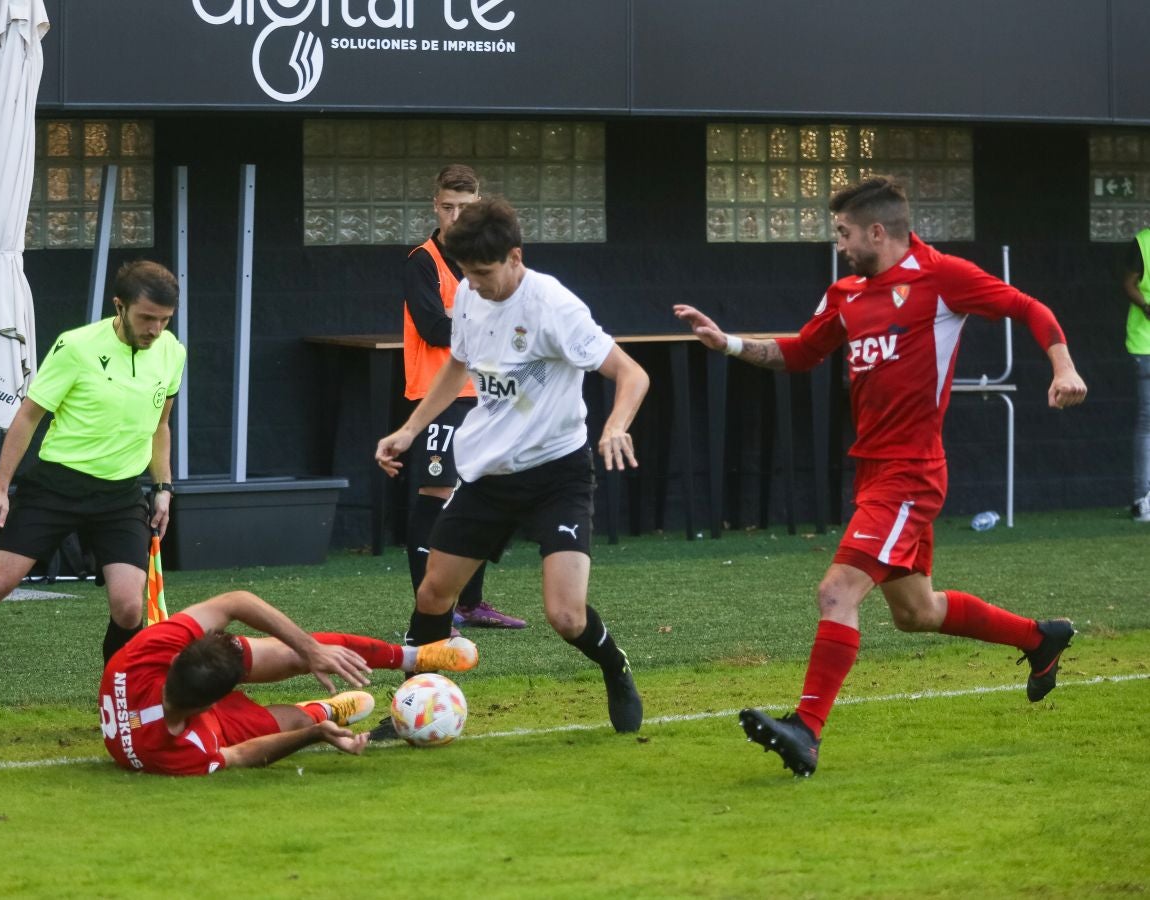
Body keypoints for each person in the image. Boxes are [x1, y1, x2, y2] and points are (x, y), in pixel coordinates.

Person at [674, 176, 1087, 777]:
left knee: (836, 592)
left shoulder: (941, 276)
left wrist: (1065, 368)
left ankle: (806, 730)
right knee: (915, 612)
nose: (838, 243)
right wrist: (729, 343)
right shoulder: (844, 293)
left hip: (911, 472)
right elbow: (801, 354)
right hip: (872, 471)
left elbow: (1028, 307)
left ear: (876, 231)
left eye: (843, 233)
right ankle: (1039, 639)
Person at [376, 197, 652, 732]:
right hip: (487, 477)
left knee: (565, 616)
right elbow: (457, 364)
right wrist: (409, 430)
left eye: (481, 273)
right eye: (464, 274)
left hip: (557, 475)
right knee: (433, 593)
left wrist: (615, 426)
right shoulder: (469, 297)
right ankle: (412, 702)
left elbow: (632, 374)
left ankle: (615, 668)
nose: (472, 285)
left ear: (515, 257)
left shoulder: (553, 305)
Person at [0, 260, 188, 724]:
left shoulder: (172, 352)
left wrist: (162, 487)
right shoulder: (77, 347)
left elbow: (160, 426)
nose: (155, 329)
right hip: (56, 487)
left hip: (121, 494)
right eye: (147, 318)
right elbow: (27, 416)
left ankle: (116, 711)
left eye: (164, 320)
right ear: (118, 306)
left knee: (127, 608)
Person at [99, 589, 478, 775]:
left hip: (173, 694)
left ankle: (415, 656)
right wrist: (314, 732)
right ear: (210, 705)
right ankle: (325, 711)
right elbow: (242, 755)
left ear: (178, 656)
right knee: (293, 723)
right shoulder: (185, 748)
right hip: (186, 721)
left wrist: (309, 649)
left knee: (297, 652)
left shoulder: (143, 655)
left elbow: (237, 601)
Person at [402, 164, 524, 630]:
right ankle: (430, 608)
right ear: (435, 205)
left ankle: (470, 604)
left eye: (465, 208)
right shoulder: (422, 260)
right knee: (437, 493)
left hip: (487, 395)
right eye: (448, 207)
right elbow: (434, 327)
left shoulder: (492, 259)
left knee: (480, 493)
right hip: (439, 396)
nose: (455, 217)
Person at [1121, 227, 1150, 522]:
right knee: (1147, 423)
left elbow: (1129, 284)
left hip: (1143, 344)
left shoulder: (1144, 241)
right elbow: (1129, 284)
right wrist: (1146, 306)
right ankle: (1144, 499)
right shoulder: (1144, 242)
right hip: (1146, 346)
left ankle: (1143, 499)